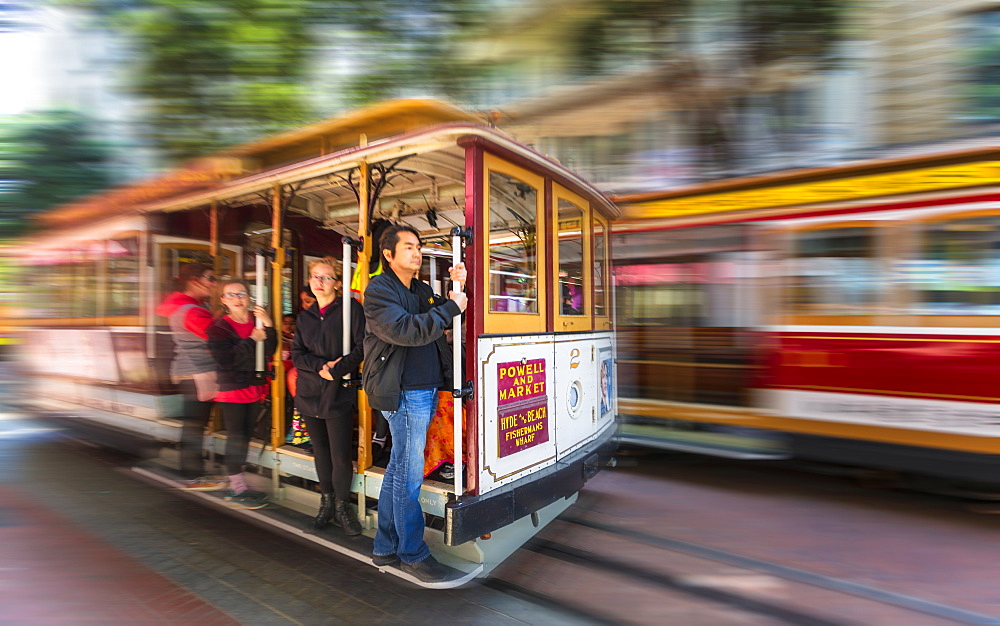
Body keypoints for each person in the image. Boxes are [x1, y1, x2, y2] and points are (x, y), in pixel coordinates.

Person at [363, 223, 466, 582]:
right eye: (408, 246)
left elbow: (443, 320)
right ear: (388, 255)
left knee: (398, 471)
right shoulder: (379, 290)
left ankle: (385, 546)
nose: (417, 251)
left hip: (422, 390)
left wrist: (458, 289)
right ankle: (412, 552)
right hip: (404, 392)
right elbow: (406, 330)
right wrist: (452, 306)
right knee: (409, 477)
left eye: (419, 246)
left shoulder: (421, 289)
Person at [292, 257, 366, 534]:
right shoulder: (305, 316)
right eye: (315, 277)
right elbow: (298, 354)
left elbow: (362, 347)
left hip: (338, 391)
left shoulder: (350, 310)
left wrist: (338, 369)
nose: (319, 282)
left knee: (340, 454)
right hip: (309, 391)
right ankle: (325, 502)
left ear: (337, 282)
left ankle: (342, 507)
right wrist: (319, 367)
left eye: (326, 277)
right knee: (319, 451)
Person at [155, 261, 226, 491]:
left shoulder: (186, 306)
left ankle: (193, 473)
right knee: (195, 426)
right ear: (194, 280)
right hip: (198, 372)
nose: (214, 284)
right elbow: (217, 337)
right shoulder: (191, 311)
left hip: (190, 373)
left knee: (194, 425)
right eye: (210, 278)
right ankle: (193, 475)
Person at [207, 280, 277, 509]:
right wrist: (251, 340)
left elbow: (268, 350)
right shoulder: (218, 327)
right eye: (231, 295)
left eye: (242, 294)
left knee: (246, 435)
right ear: (224, 300)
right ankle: (237, 485)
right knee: (236, 436)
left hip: (254, 387)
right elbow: (226, 360)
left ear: (249, 297)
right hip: (232, 389)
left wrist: (269, 327)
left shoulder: (256, 322)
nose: (238, 298)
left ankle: (239, 480)